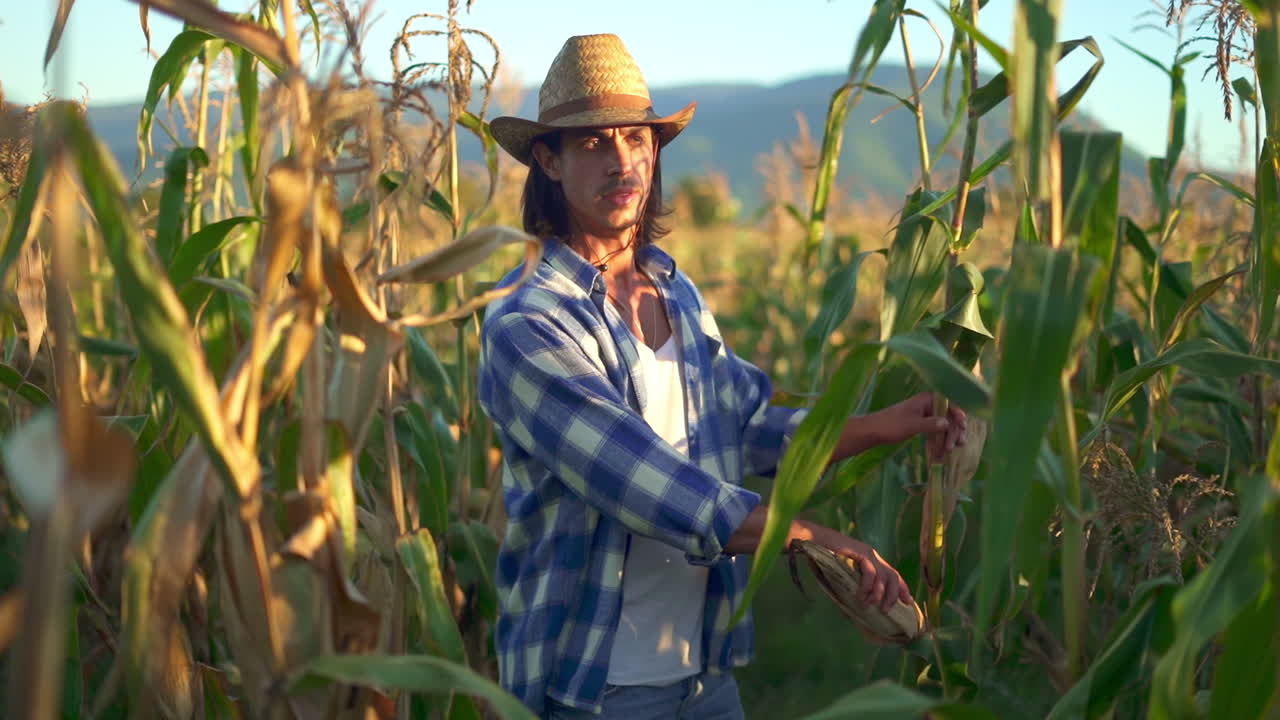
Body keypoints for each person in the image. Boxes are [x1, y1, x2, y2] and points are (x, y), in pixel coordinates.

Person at [476, 34, 966, 720]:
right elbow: (648, 486)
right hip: (593, 685)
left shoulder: (674, 291)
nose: (623, 161)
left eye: (637, 139)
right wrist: (816, 537)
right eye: (593, 144)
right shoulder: (527, 322)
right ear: (548, 161)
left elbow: (748, 426)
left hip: (703, 673)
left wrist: (889, 426)